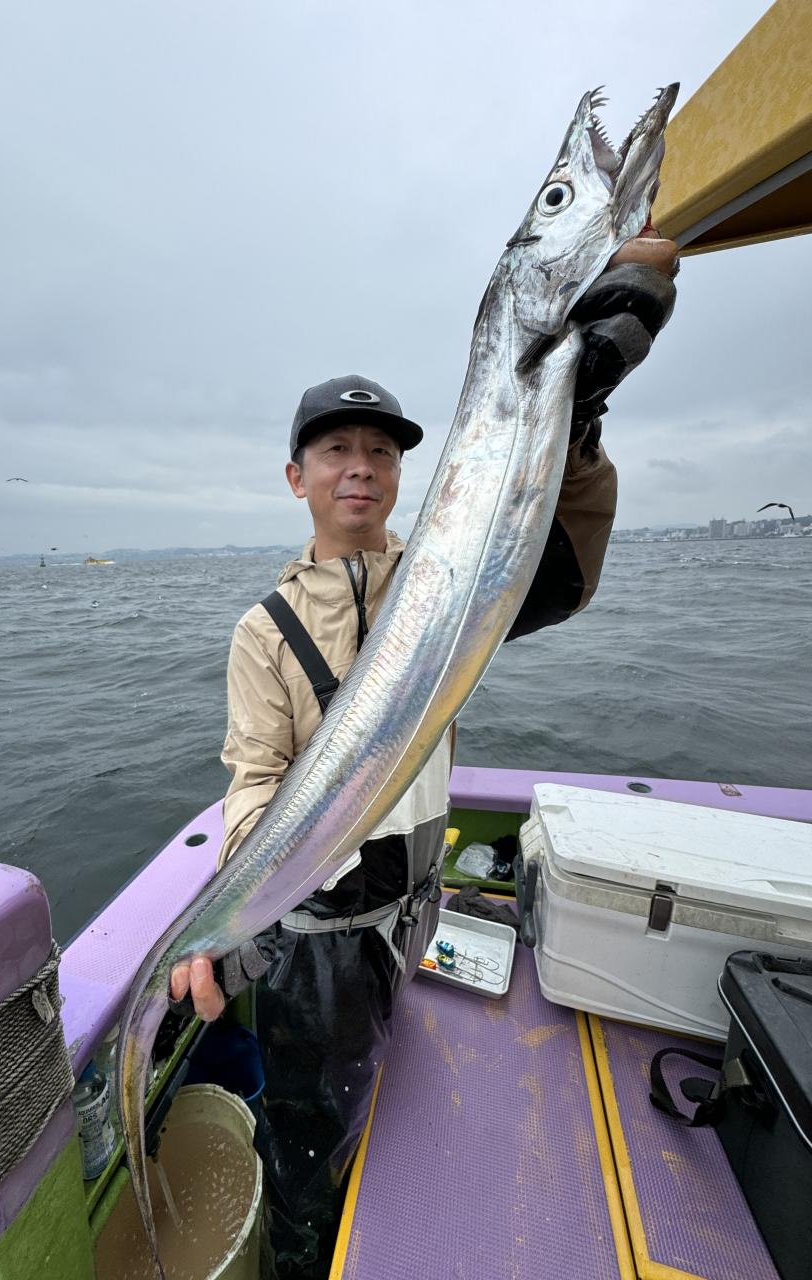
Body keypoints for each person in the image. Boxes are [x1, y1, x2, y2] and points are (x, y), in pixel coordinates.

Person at [171, 237, 678, 1278]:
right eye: (336, 449)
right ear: (297, 476)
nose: (361, 465)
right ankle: (304, 1252)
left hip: (417, 905)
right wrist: (251, 896)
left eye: (383, 450)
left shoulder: (450, 581)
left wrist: (576, 425)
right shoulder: (264, 631)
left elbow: (561, 574)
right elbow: (255, 778)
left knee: (382, 1065)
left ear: (403, 473)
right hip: (318, 937)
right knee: (313, 1134)